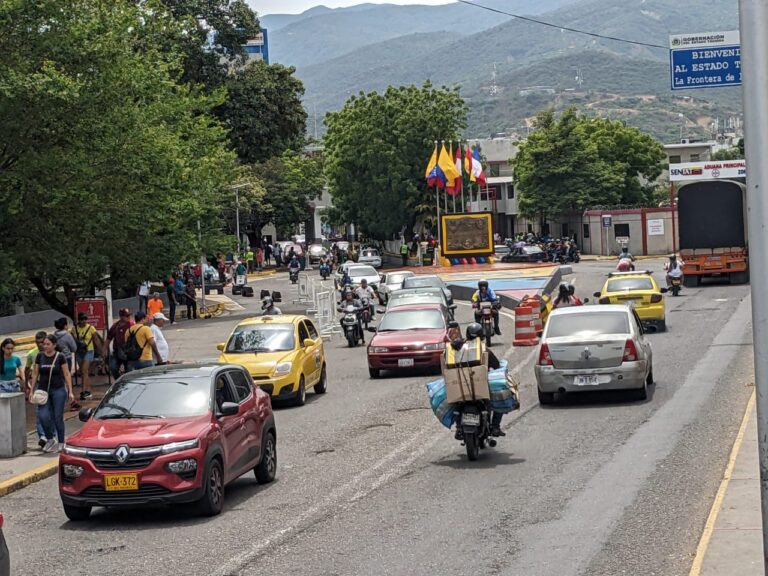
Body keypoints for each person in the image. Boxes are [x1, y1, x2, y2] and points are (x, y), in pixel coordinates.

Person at [449, 323, 504, 437]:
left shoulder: (457, 349)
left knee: (456, 405)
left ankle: (458, 428)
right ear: (481, 336)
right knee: (500, 400)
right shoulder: (485, 350)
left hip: (461, 388)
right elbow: (497, 366)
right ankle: (495, 427)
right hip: (480, 390)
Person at [31, 334, 74, 453]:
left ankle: (61, 441)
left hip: (58, 390)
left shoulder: (60, 357)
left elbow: (66, 374)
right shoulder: (40, 356)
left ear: (54, 345)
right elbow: (35, 373)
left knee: (57, 416)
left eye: (48, 344)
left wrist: (70, 391)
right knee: (43, 416)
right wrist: (31, 389)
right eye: (44, 344)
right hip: (43, 391)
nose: (45, 346)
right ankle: (50, 438)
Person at [71, 312, 103, 401]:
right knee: (84, 372)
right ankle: (88, 390)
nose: (84, 321)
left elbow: (96, 340)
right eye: (82, 319)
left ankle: (83, 391)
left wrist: (101, 351)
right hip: (79, 351)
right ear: (79, 320)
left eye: (85, 319)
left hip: (88, 351)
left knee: (84, 371)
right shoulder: (74, 329)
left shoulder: (91, 328)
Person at [25, 332, 49, 448]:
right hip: (40, 385)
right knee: (40, 412)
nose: (40, 345)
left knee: (52, 412)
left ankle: (51, 435)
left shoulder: (54, 353)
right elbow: (28, 370)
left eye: (42, 342)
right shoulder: (32, 354)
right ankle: (42, 436)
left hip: (53, 385)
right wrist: (28, 385)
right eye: (37, 342)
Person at [105, 308, 133, 379]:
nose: (129, 317)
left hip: (129, 351)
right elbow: (108, 339)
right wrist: (103, 351)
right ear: (121, 316)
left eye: (129, 315)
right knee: (113, 367)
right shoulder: (115, 326)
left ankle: (127, 382)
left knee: (129, 369)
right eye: (127, 316)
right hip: (117, 351)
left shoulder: (132, 324)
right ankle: (119, 381)